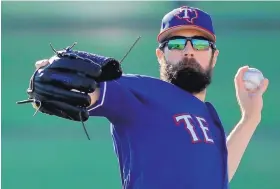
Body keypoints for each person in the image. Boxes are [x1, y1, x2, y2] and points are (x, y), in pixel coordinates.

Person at [35, 6, 269, 189]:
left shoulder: (209, 116)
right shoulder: (141, 93)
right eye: (176, 43)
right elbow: (91, 90)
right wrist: (56, 77)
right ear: (160, 55)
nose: (188, 50)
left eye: (199, 44)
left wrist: (250, 118)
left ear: (214, 56)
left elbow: (219, 174)